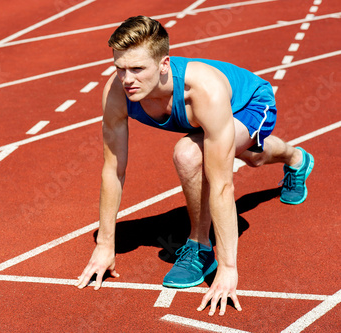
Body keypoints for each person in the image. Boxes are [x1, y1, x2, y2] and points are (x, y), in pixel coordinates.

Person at [75, 16, 314, 316]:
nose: (127, 80)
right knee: (252, 156)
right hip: (201, 117)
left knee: (192, 154)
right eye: (120, 68)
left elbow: (223, 185)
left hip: (249, 102)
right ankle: (297, 159)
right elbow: (113, 169)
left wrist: (228, 269)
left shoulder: (202, 90)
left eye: (137, 69)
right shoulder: (118, 93)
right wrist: (105, 244)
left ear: (164, 65)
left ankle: (201, 246)